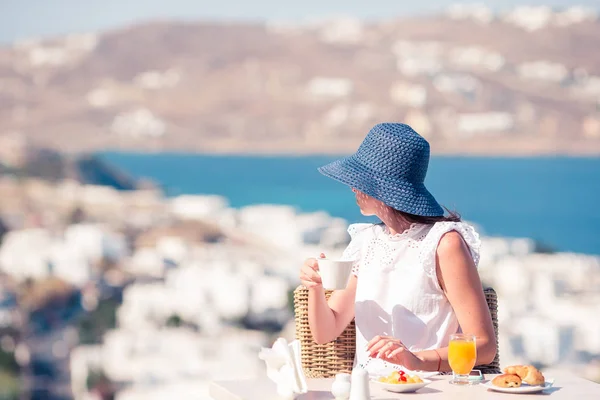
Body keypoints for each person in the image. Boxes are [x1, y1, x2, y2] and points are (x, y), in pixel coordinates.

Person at [299, 123, 496, 375]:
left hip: (430, 391)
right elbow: (326, 332)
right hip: (370, 391)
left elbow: (484, 345)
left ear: (384, 191)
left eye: (359, 180)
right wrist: (315, 288)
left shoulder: (444, 244)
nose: (352, 187)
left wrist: (416, 360)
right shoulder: (365, 241)